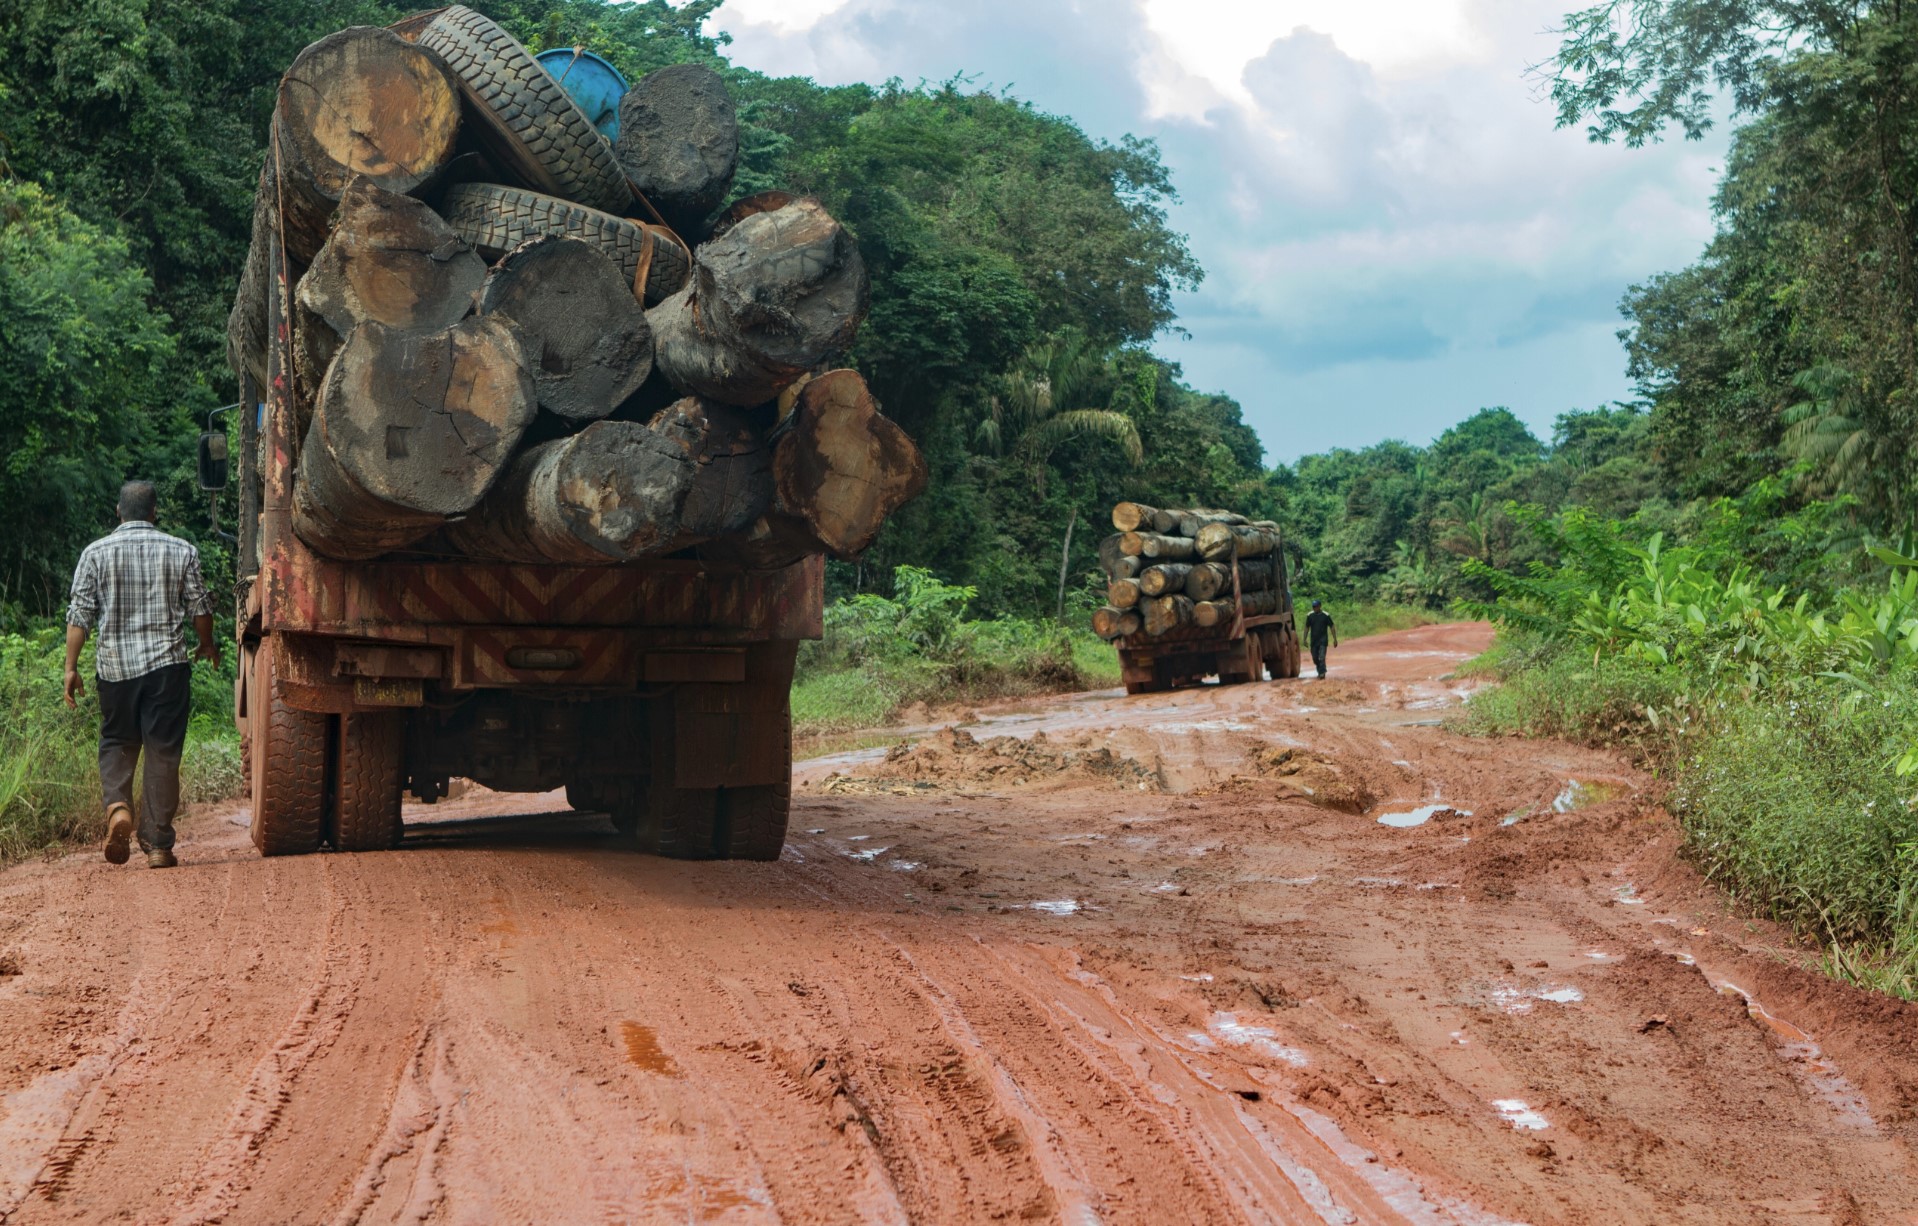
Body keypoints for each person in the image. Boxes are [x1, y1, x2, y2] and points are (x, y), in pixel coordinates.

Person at [64, 481, 219, 868]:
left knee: (117, 738)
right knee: (162, 750)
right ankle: (158, 844)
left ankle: (118, 806)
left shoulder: (95, 553)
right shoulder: (182, 550)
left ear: (119, 511)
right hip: (167, 668)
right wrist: (207, 643)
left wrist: (71, 668)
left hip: (115, 670)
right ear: (154, 512)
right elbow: (200, 607)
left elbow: (79, 616)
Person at [1303, 599, 1338, 679]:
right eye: (1313, 607)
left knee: (1321, 657)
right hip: (1314, 641)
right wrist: (1304, 639)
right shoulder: (1310, 615)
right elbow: (1306, 627)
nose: (1314, 608)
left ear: (1319, 606)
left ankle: (1322, 673)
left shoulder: (1326, 615)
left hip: (1323, 640)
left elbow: (1332, 627)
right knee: (1315, 658)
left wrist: (1335, 639)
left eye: (1316, 606)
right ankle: (1321, 670)